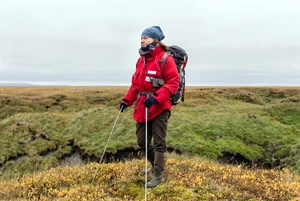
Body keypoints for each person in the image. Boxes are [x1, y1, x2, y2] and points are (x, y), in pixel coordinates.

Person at [119, 26, 179, 188]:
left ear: (155, 40)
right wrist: (126, 100)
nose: (142, 40)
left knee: (159, 143)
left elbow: (173, 82)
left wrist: (157, 98)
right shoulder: (141, 60)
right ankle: (155, 166)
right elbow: (135, 85)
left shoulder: (166, 59)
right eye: (141, 37)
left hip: (160, 107)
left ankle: (158, 175)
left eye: (145, 37)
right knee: (142, 141)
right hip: (142, 106)